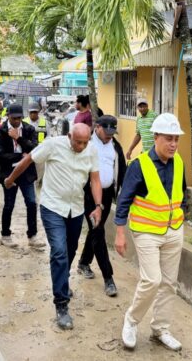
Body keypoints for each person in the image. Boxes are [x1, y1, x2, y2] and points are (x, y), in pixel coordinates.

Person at [3, 123, 102, 330]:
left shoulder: (91, 150)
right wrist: (11, 179)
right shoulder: (52, 145)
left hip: (76, 209)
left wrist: (98, 206)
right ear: (69, 136)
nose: (82, 146)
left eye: (85, 142)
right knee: (58, 251)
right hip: (52, 207)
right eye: (78, 142)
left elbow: (94, 179)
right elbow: (28, 159)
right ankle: (61, 304)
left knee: (70, 250)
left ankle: (62, 280)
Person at [115, 113, 187, 351]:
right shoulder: (139, 165)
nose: (173, 144)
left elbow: (181, 194)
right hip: (146, 231)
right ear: (155, 137)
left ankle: (160, 328)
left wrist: (181, 219)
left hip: (173, 230)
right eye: (168, 138)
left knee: (169, 283)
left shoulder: (179, 162)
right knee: (152, 280)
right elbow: (123, 200)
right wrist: (120, 233)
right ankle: (131, 321)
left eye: (176, 139)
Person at [76, 115, 126, 297]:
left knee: (95, 230)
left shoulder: (115, 147)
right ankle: (108, 278)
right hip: (88, 195)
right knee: (98, 232)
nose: (109, 135)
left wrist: (122, 195)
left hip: (106, 195)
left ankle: (83, 262)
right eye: (106, 131)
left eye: (112, 132)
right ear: (97, 127)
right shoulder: (86, 144)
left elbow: (122, 171)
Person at [0, 104, 45, 249]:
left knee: (31, 203)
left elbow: (35, 149)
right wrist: (20, 156)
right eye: (14, 118)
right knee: (9, 204)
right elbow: (0, 154)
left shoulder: (29, 129)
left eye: (19, 118)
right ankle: (5, 235)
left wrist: (19, 138)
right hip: (9, 173)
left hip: (26, 172)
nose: (17, 121)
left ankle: (32, 235)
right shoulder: (0, 132)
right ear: (8, 116)